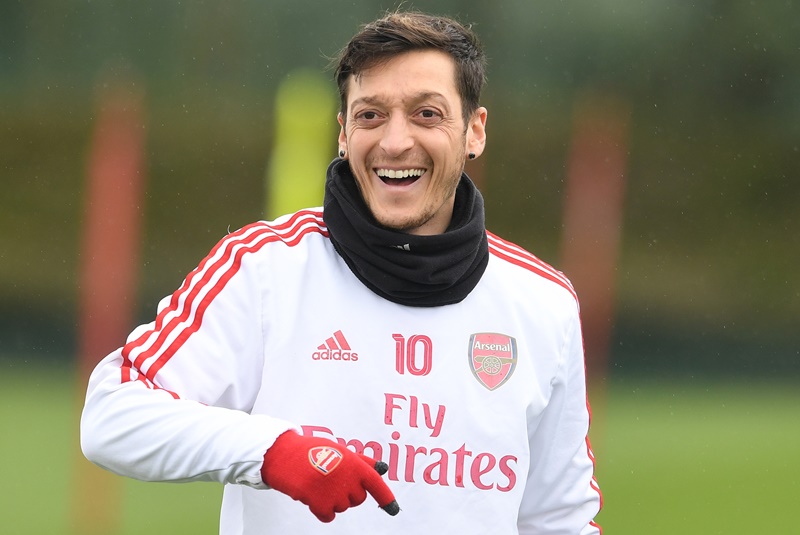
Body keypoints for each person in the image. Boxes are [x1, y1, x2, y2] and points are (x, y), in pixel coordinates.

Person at [81, 10, 602, 534]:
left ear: (475, 131)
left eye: (426, 114)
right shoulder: (264, 267)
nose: (395, 142)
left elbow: (560, 520)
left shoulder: (543, 303)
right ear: (343, 134)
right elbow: (112, 414)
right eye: (370, 115)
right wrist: (273, 452)